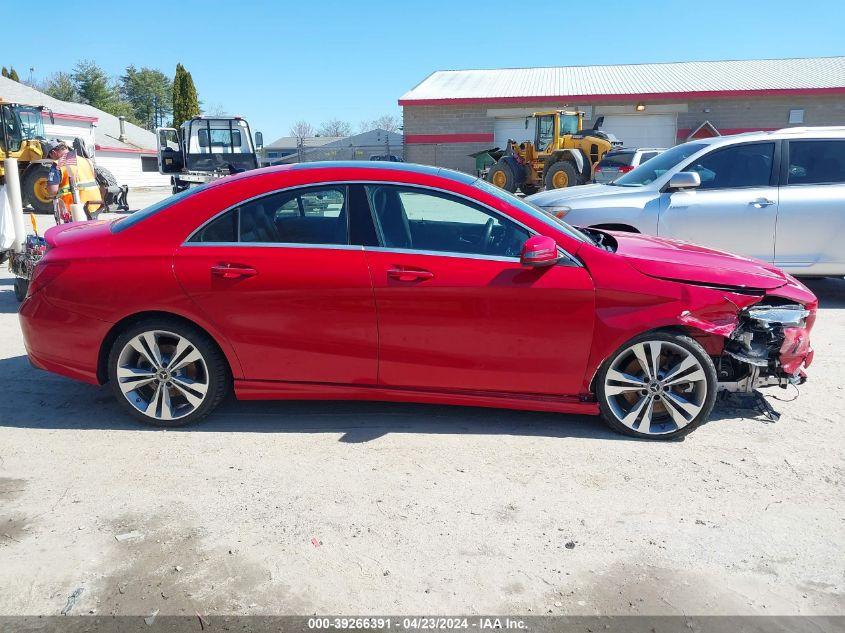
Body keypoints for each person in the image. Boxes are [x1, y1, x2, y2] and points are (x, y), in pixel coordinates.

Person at [44, 140, 103, 219]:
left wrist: (47, 187)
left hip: (75, 208)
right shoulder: (86, 161)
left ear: (54, 153)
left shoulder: (58, 164)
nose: (52, 159)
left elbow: (53, 190)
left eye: (50, 156)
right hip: (94, 204)